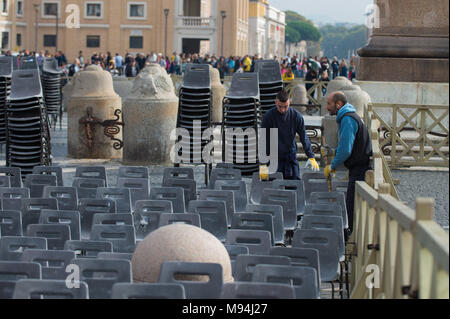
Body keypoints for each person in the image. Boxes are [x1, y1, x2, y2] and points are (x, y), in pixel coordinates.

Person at [323, 91, 373, 239]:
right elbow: (345, 146)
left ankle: (349, 243)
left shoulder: (347, 119)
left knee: (351, 209)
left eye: (329, 104)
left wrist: (332, 166)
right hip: (360, 167)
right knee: (352, 206)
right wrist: (334, 152)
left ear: (338, 105)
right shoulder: (350, 116)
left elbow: (346, 150)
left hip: (360, 170)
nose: (327, 107)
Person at [261, 90, 320, 180]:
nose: (282, 110)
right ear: (275, 102)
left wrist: (311, 156)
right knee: (274, 189)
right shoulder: (268, 117)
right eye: (280, 106)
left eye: (286, 106)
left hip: (290, 157)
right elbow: (264, 140)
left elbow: (303, 137)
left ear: (289, 102)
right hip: (273, 158)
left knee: (294, 186)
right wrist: (263, 163)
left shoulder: (296, 116)